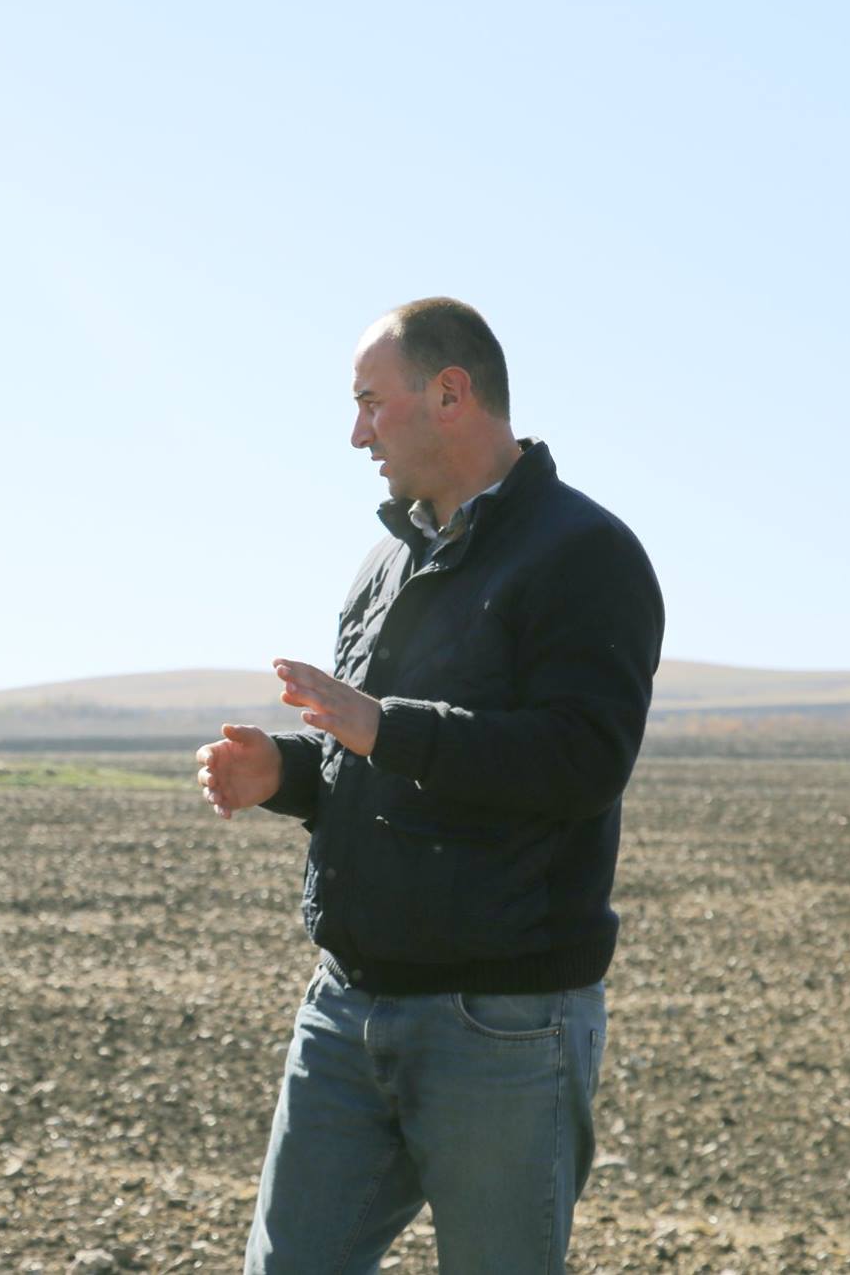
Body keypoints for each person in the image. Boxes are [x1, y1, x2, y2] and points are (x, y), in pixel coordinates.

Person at [195, 298, 664, 1272]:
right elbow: (372, 764)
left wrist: (382, 726)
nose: (356, 433)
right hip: (344, 1010)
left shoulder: (583, 554)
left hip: (499, 1023)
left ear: (450, 392)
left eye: (370, 402)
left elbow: (580, 761)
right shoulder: (383, 564)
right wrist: (283, 771)